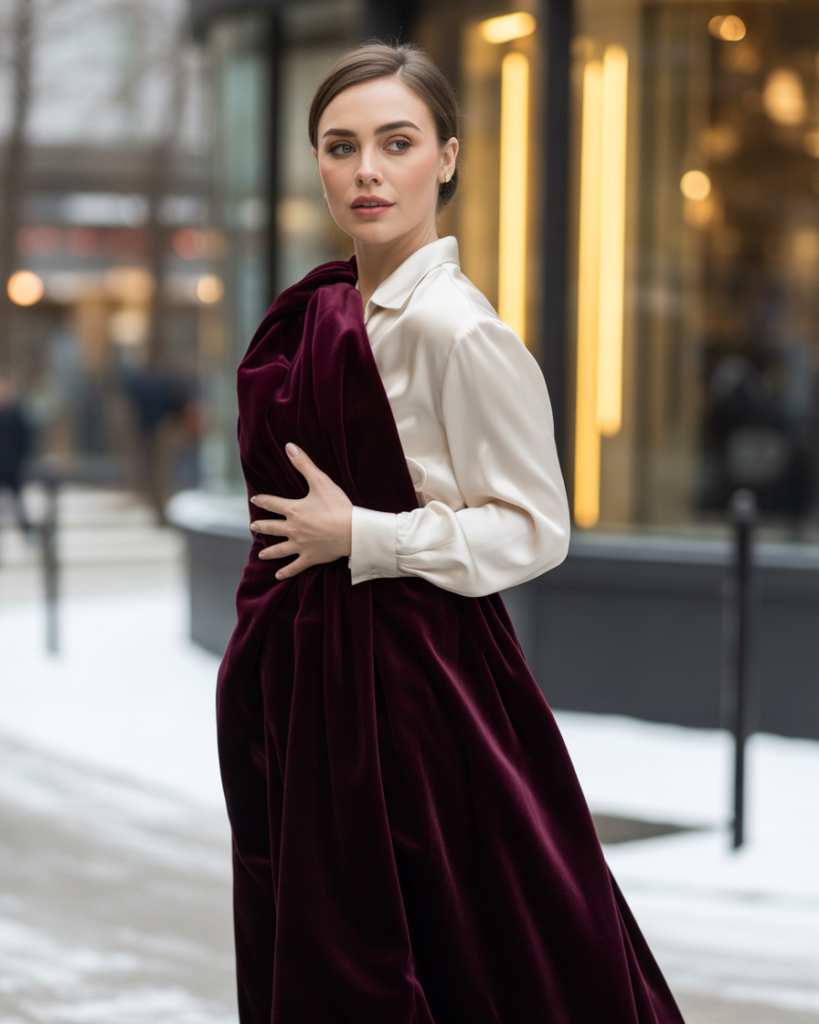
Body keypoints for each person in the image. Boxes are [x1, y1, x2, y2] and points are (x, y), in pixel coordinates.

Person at [217, 41, 685, 1024]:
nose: (368, 171)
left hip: (420, 695)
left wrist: (366, 536)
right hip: (318, 687)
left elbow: (535, 526)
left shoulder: (455, 329)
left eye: (397, 143)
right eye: (341, 146)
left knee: (454, 959)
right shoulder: (330, 309)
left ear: (448, 157)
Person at [0, 373, 32, 535]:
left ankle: (28, 535)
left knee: (18, 504)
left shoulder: (17, 413)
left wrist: (20, 460)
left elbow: (25, 440)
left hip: (12, 467)